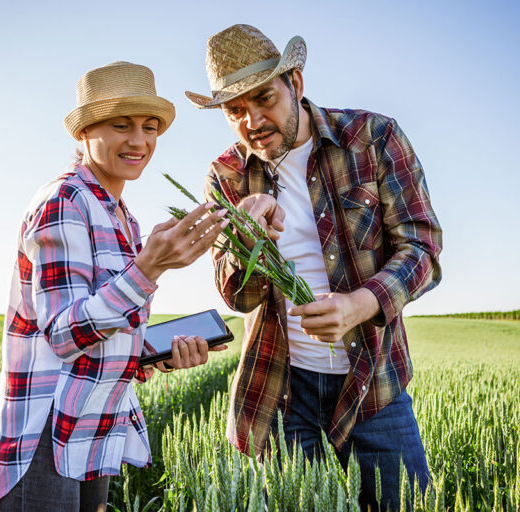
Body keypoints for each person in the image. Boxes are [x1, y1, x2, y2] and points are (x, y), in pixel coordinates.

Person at [186, 25, 442, 511]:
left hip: (373, 382)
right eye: (235, 111)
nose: (252, 121)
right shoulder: (227, 174)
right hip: (282, 393)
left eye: (264, 99)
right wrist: (248, 238)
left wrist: (358, 305)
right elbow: (237, 297)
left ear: (296, 84)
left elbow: (422, 248)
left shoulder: (373, 138)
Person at [0, 61, 229, 511]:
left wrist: (158, 354)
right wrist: (148, 270)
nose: (139, 140)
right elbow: (63, 334)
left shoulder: (123, 216)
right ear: (84, 133)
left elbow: (102, 338)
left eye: (149, 127)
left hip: (94, 430)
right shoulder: (63, 202)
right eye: (121, 125)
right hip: (43, 435)